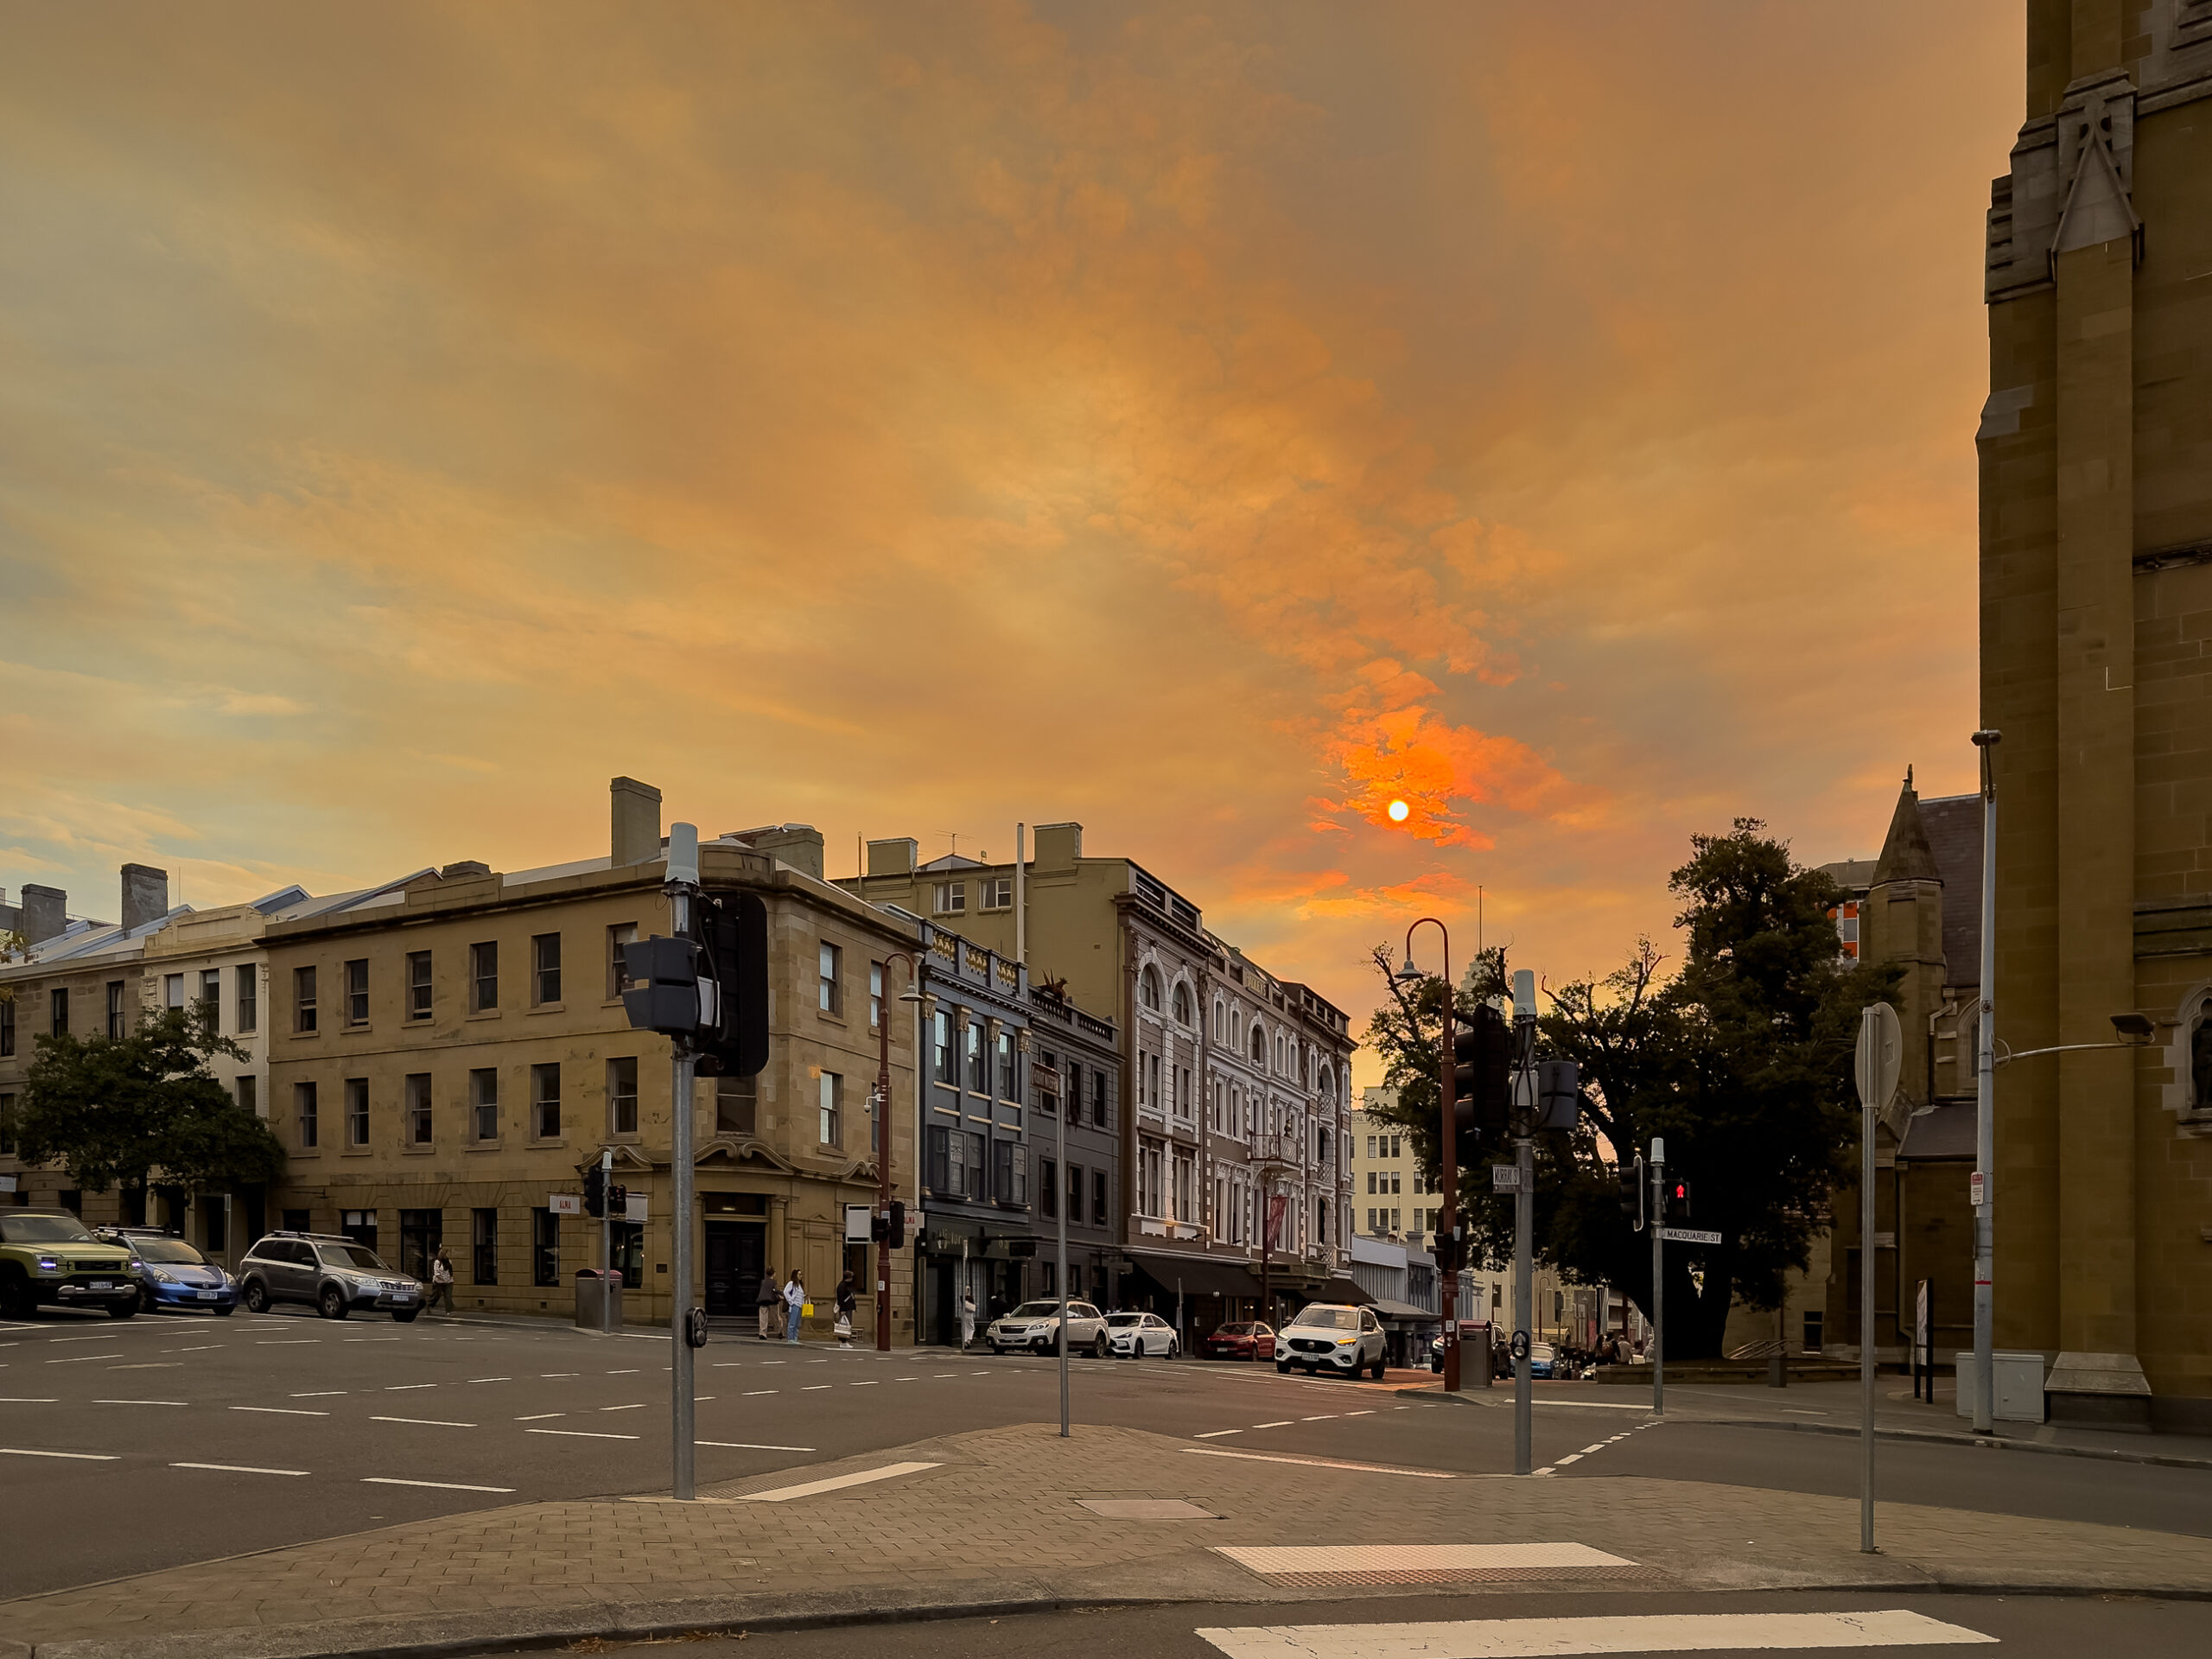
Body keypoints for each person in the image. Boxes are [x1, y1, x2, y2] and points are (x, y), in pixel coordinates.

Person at [427, 1246, 454, 1315]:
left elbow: (450, 1271)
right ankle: (429, 1305)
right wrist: (443, 1279)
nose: (449, 1255)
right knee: (436, 1296)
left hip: (448, 1282)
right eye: (447, 1253)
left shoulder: (449, 1261)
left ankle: (449, 1312)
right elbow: (436, 1273)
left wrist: (449, 1279)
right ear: (443, 1254)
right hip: (439, 1282)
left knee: (448, 1296)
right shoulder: (437, 1262)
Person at [755, 1268, 780, 1342]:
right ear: (774, 1273)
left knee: (763, 1317)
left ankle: (762, 1333)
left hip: (763, 1300)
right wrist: (783, 1294)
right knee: (776, 1316)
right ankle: (780, 1330)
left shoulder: (763, 1281)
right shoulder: (774, 1282)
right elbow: (776, 1290)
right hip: (772, 1301)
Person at [834, 1272, 857, 1348]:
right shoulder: (842, 1286)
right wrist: (842, 1309)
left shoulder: (847, 1285)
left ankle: (846, 1340)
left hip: (849, 1307)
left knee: (847, 1324)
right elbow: (840, 1299)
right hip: (845, 1308)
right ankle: (843, 1341)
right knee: (844, 1325)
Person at [783, 1268, 805, 1344]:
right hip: (794, 1305)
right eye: (799, 1274)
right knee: (792, 1323)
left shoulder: (799, 1285)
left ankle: (795, 1338)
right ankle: (790, 1338)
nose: (801, 1276)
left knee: (797, 1324)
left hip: (799, 1305)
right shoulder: (791, 1283)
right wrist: (791, 1301)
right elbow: (785, 1292)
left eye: (801, 1274)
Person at [959, 1288, 976, 1353]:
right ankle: (968, 1340)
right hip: (969, 1314)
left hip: (963, 1314)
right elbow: (973, 1306)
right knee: (971, 1328)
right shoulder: (970, 1298)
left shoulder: (962, 1297)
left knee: (964, 1328)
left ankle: (965, 1341)